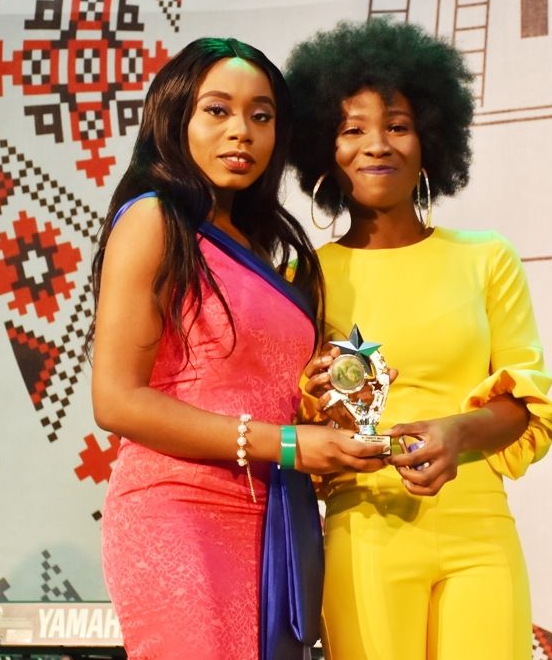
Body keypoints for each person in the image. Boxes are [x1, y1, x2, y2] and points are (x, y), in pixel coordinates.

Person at [87, 37, 387, 659]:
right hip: (179, 511)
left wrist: (327, 404)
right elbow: (116, 400)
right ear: (175, 117)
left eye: (261, 115)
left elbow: (260, 392)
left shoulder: (260, 247)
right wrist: (287, 444)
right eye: (217, 110)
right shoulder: (154, 220)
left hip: (273, 521)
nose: (242, 132)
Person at [285, 19, 552, 660]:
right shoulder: (305, 277)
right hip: (363, 531)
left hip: (478, 529)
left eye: (398, 125)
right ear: (322, 147)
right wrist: (319, 406)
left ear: (430, 140)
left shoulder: (486, 258)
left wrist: (457, 433)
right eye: (351, 129)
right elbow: (294, 422)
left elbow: (525, 404)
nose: (376, 145)